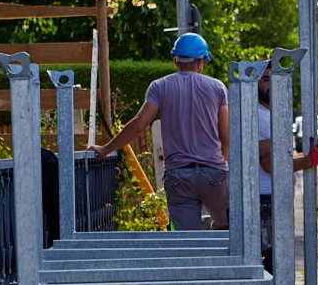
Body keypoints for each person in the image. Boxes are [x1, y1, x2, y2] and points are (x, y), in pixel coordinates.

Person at [92, 33, 229, 231]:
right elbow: (225, 137)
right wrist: (223, 172)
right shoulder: (217, 88)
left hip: (179, 176)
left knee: (185, 239)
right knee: (226, 229)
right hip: (213, 173)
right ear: (200, 63)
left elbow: (138, 125)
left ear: (176, 61)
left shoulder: (160, 87)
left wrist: (105, 149)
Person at [257, 63, 318, 273]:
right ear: (255, 85)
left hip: (271, 200)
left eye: (275, 80)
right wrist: (309, 161)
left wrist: (306, 156)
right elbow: (269, 164)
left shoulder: (269, 114)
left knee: (275, 263)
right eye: (266, 80)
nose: (272, 86)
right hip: (266, 203)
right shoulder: (260, 117)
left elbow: (279, 156)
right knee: (272, 265)